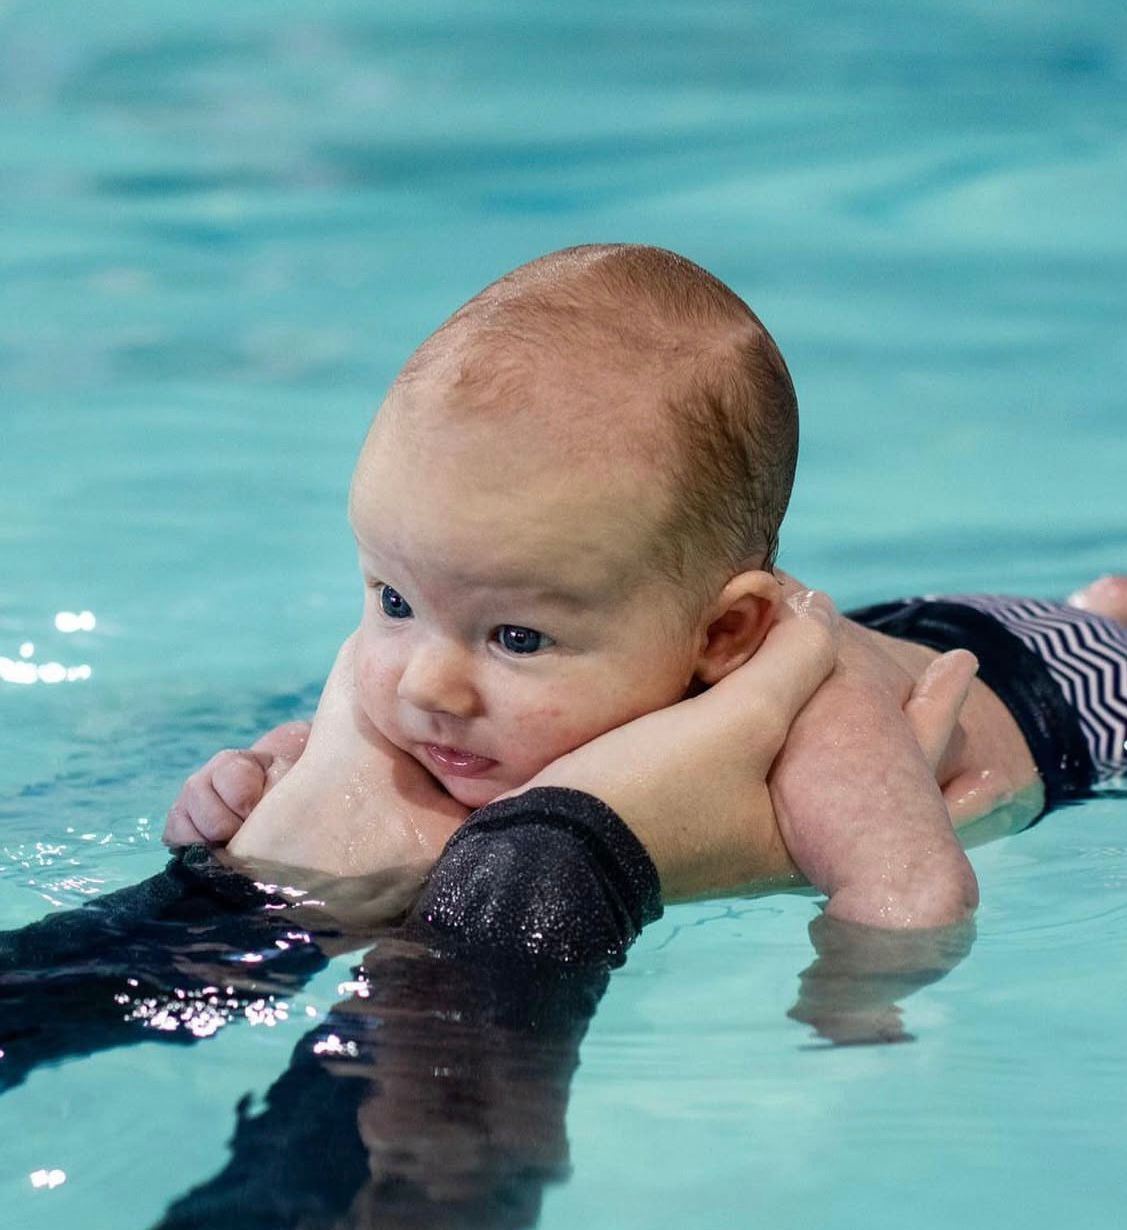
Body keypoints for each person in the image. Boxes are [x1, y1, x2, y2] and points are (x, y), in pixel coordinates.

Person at [164, 244, 1127, 931]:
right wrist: (258, 779)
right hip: (895, 630)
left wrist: (850, 1013)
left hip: (1066, 686)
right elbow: (328, 787)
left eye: (517, 639)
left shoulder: (826, 727)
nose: (425, 688)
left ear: (724, 638)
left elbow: (915, 894)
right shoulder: (477, 680)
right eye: (394, 602)